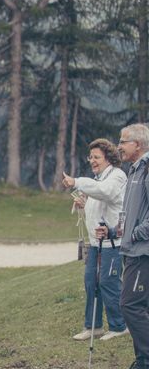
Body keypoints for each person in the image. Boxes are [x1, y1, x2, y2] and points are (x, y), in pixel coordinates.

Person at [97, 124, 149, 369]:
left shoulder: (148, 168)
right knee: (134, 305)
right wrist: (117, 229)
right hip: (131, 248)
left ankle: (147, 363)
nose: (119, 145)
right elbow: (130, 212)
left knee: (130, 304)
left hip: (143, 251)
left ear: (137, 144)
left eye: (123, 141)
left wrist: (136, 233)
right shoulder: (135, 169)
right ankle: (141, 362)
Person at [62, 139, 128, 342]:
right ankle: (93, 326)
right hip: (95, 243)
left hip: (113, 242)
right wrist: (84, 203)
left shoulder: (117, 176)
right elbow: (98, 198)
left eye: (97, 157)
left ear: (108, 158)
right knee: (91, 283)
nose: (92, 160)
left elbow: (106, 193)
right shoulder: (99, 178)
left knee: (108, 282)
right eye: (90, 157)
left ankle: (119, 326)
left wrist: (77, 182)